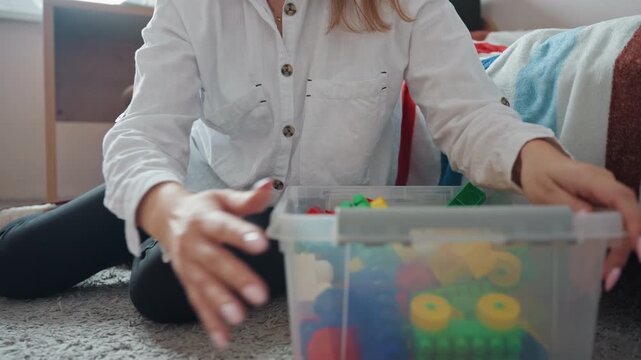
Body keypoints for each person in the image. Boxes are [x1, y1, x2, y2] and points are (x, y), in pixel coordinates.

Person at [1, 0, 640, 350]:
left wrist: (544, 163)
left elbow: (472, 114)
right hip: (187, 191)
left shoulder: (407, 6)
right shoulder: (191, 8)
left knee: (161, 291)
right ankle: (135, 228)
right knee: (17, 262)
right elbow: (145, 127)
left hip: (320, 218)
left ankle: (152, 246)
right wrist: (165, 207)